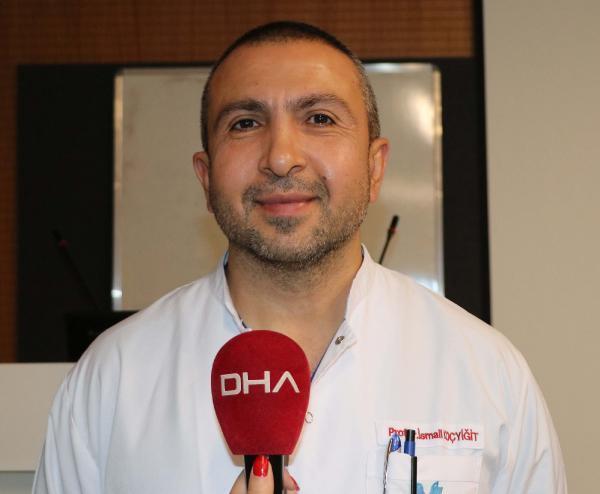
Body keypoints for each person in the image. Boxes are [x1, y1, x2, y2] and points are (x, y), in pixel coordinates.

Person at [33, 21, 567, 493]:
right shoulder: (113, 378)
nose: (281, 157)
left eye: (319, 118)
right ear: (205, 176)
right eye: (245, 123)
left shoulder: (487, 373)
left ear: (375, 167)